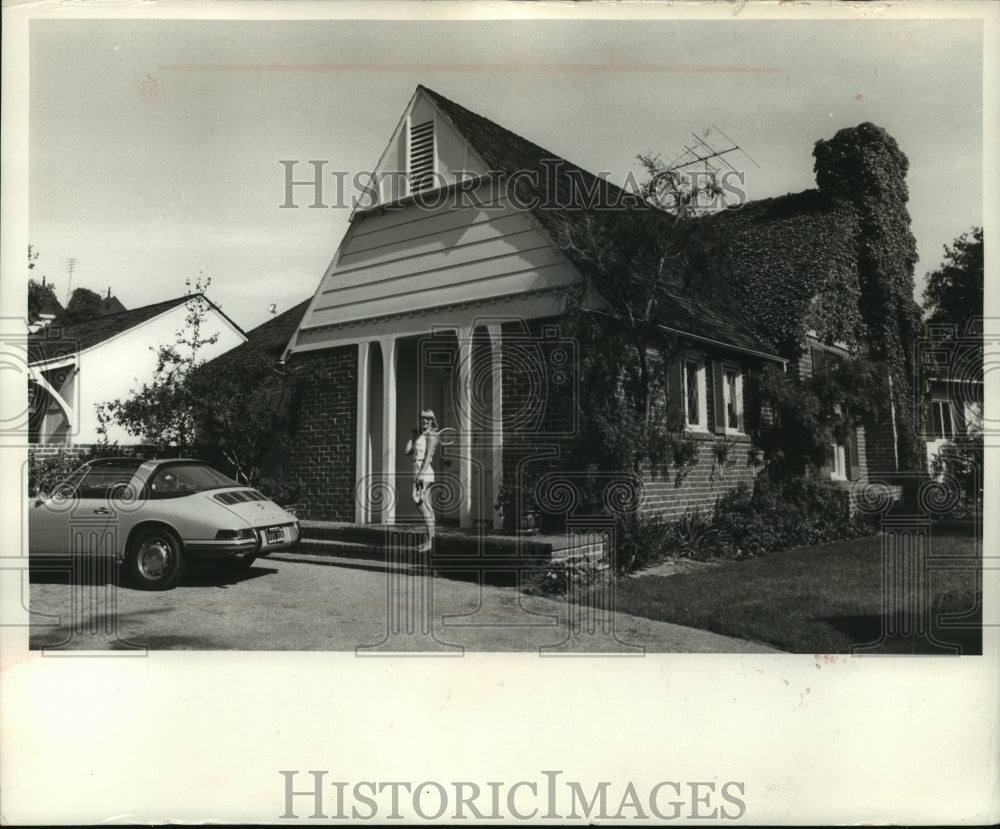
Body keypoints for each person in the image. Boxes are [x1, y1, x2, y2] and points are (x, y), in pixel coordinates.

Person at [404, 409, 439, 553]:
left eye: (427, 418)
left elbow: (428, 457)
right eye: (422, 418)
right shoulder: (419, 435)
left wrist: (421, 475)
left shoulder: (432, 434)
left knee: (421, 504)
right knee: (427, 506)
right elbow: (407, 452)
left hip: (424, 471)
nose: (424, 421)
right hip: (417, 469)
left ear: (432, 420)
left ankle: (430, 541)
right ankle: (430, 540)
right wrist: (413, 437)